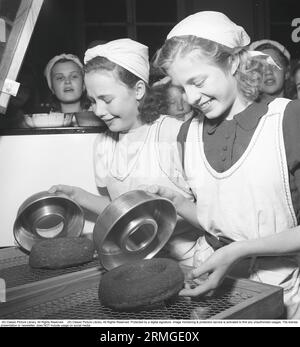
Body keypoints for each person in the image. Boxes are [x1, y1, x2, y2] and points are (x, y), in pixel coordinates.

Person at [147, 11, 300, 318]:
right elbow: (220, 218)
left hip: (281, 291)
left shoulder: (289, 120)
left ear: (232, 63)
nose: (190, 98)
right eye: (181, 87)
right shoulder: (186, 133)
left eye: (198, 81)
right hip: (213, 285)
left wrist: (237, 251)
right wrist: (174, 201)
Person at [49, 39, 200, 266]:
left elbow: (211, 215)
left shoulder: (176, 134)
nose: (98, 111)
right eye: (92, 101)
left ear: (138, 90)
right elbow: (120, 211)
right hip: (132, 262)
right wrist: (78, 196)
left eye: (106, 99)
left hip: (188, 262)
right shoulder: (104, 143)